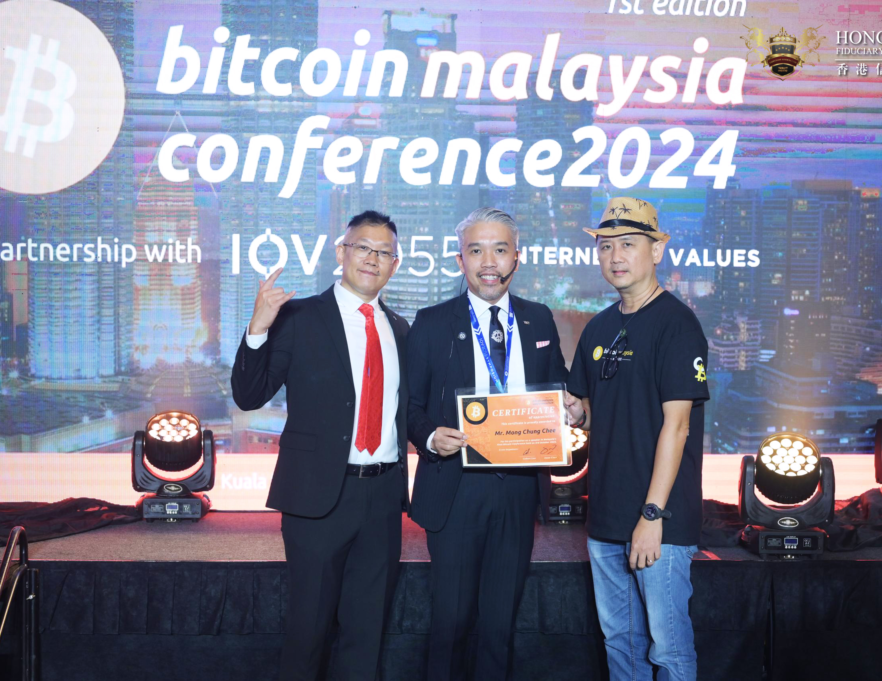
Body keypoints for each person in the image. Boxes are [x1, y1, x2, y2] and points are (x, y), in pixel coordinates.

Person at [231, 211, 410, 681]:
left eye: (384, 252)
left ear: (395, 264)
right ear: (341, 252)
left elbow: (409, 411)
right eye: (363, 247)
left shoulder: (400, 329)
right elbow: (249, 395)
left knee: (366, 634)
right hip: (317, 499)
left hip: (383, 498)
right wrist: (258, 326)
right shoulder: (299, 317)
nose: (372, 258)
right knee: (307, 631)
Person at [407, 208, 569, 680]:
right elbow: (408, 405)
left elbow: (557, 386)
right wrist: (430, 436)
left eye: (500, 249)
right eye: (476, 251)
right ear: (461, 260)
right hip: (455, 487)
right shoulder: (432, 322)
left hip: (518, 489)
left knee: (500, 626)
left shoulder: (539, 319)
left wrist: (572, 407)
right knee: (452, 623)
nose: (489, 262)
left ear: (517, 257)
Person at [564, 197, 710, 681]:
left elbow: (678, 426)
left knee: (669, 651)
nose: (615, 256)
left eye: (628, 244)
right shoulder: (599, 327)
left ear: (657, 250)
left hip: (658, 520)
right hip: (606, 516)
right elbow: (592, 415)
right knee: (621, 645)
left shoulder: (677, 324)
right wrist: (573, 414)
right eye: (606, 246)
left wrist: (652, 516)